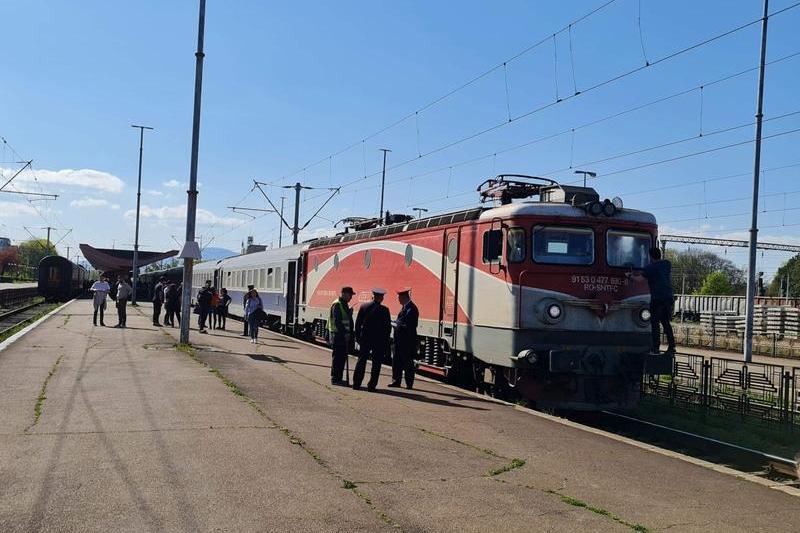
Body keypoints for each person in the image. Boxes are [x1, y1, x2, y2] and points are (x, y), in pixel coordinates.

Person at [631, 247, 676, 355]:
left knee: (655, 324)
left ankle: (655, 348)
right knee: (666, 323)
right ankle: (672, 347)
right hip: (668, 298)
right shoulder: (667, 264)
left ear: (650, 256)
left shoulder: (649, 268)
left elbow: (640, 279)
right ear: (660, 254)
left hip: (657, 299)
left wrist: (630, 276)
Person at [352, 288, 392, 392]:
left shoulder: (364, 307)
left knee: (361, 361)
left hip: (365, 339)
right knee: (376, 364)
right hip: (379, 342)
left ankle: (356, 384)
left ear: (373, 296)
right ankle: (372, 386)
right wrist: (386, 342)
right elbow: (387, 329)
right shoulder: (385, 310)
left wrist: (358, 338)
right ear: (381, 298)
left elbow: (358, 324)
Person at [389, 288, 418, 389]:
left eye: (399, 298)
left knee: (407, 363)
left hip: (407, 341)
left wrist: (397, 326)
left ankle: (409, 383)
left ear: (404, 297)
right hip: (399, 340)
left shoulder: (412, 309)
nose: (398, 300)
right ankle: (396, 381)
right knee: (396, 361)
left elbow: (411, 325)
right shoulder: (405, 307)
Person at [328, 286, 354, 385]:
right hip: (337, 336)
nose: (351, 297)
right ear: (344, 294)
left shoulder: (344, 304)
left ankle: (339, 378)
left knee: (341, 358)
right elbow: (338, 321)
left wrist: (349, 313)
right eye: (350, 295)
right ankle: (335, 379)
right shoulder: (337, 304)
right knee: (337, 358)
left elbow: (344, 319)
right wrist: (345, 333)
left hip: (342, 336)